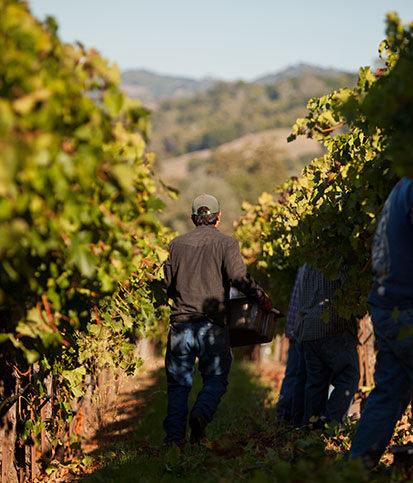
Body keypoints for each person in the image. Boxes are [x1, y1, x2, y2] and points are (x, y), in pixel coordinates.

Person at [162, 193, 272, 447]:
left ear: (192, 218)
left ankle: (174, 442)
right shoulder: (227, 243)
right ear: (218, 218)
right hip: (212, 325)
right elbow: (238, 277)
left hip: (180, 325)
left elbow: (167, 285)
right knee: (215, 378)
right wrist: (259, 295)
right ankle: (201, 413)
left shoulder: (176, 245)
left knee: (178, 385)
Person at [350, 177, 413, 468]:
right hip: (407, 309)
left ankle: (355, 470)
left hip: (388, 305)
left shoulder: (400, 186)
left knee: (389, 392)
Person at [297, 263, 360, 428]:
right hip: (333, 326)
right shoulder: (337, 256)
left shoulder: (306, 264)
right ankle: (329, 423)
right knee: (349, 375)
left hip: (309, 329)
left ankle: (310, 429)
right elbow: (352, 291)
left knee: (316, 383)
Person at [277, 266, 306, 426]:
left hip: (296, 328)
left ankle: (283, 417)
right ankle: (294, 420)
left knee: (293, 376)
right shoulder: (314, 266)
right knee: (302, 377)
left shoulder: (303, 266)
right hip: (304, 330)